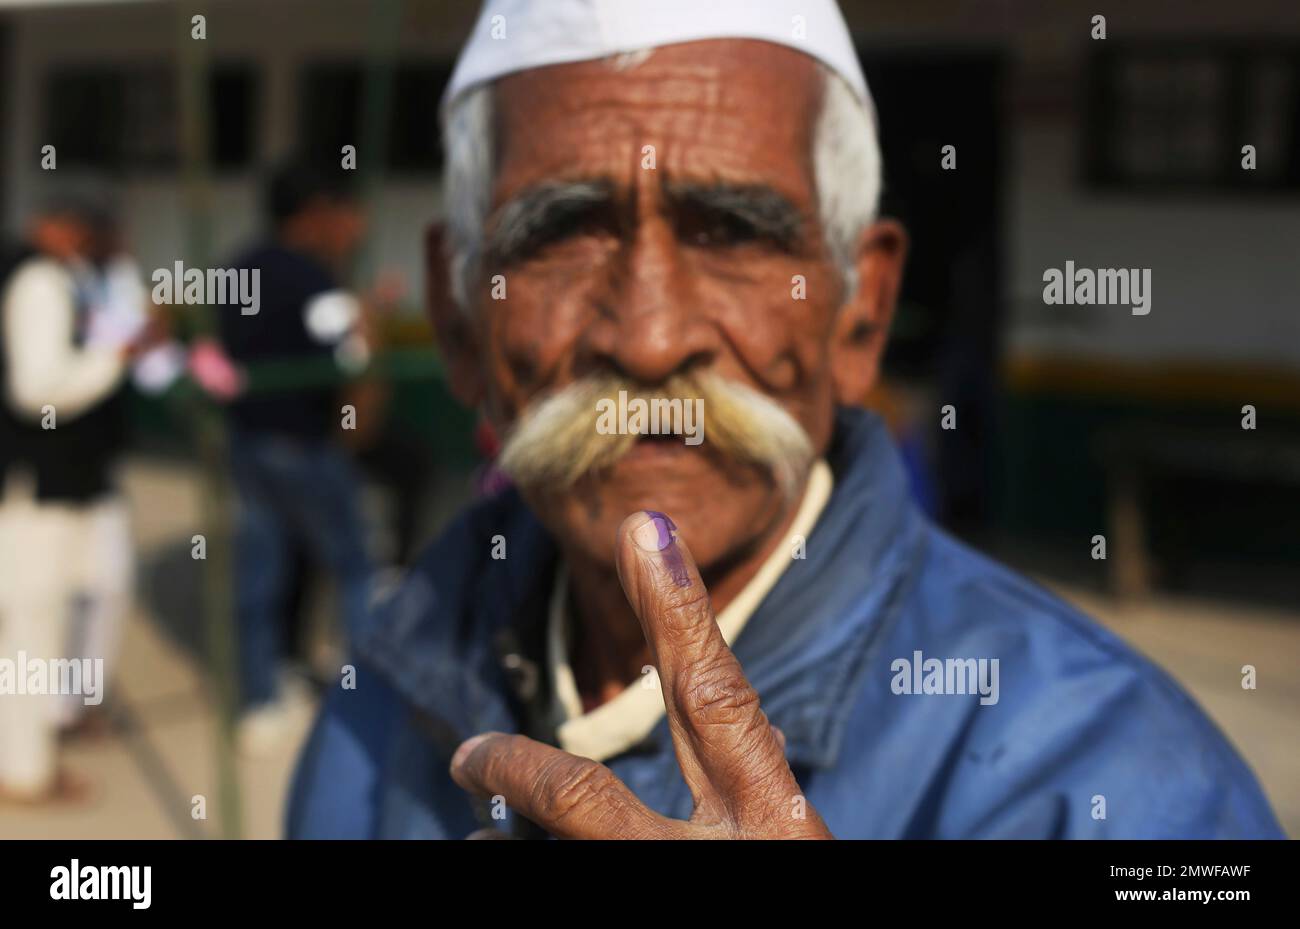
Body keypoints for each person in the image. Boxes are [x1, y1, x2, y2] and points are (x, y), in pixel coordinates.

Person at [288, 0, 1283, 839]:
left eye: (734, 234)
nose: (647, 336)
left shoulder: (1120, 787)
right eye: (559, 231)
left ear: (861, 312)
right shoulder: (383, 685)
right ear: (459, 317)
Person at [216, 162, 375, 754]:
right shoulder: (316, 281)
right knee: (356, 566)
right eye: (347, 212)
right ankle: (368, 701)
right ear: (317, 214)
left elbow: (217, 351)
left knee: (261, 570)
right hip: (304, 447)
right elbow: (352, 357)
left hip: (248, 444)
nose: (356, 226)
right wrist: (368, 320)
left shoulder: (239, 268)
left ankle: (259, 700)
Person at [0, 184, 144, 802]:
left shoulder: (76, 278)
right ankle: (22, 769)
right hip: (38, 485)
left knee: (90, 593)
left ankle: (60, 722)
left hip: (75, 481)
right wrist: (114, 356)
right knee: (30, 625)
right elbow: (36, 388)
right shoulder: (38, 282)